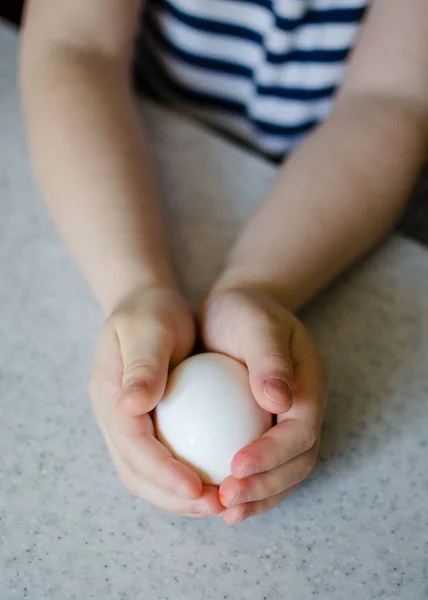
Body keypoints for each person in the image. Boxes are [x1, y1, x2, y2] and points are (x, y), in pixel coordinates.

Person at [19, 0, 428, 525]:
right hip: (143, 143)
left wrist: (260, 287)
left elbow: (389, 100)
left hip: (340, 188)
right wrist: (136, 285)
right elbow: (74, 48)